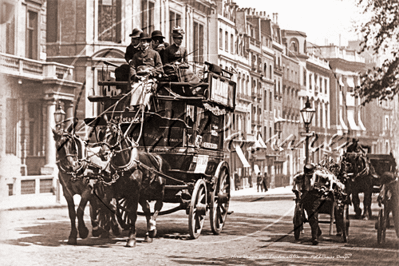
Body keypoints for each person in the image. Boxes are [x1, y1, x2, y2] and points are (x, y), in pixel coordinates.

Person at [129, 32, 164, 108]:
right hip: (139, 78)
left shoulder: (155, 54)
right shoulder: (136, 55)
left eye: (144, 41)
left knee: (146, 88)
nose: (142, 43)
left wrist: (152, 73)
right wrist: (135, 76)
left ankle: (143, 106)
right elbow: (132, 67)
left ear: (148, 43)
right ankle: (133, 106)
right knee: (135, 87)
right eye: (141, 41)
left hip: (150, 79)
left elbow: (160, 67)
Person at [295, 164, 323, 245]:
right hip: (306, 198)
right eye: (307, 175)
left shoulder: (319, 176)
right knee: (310, 216)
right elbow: (298, 187)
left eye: (310, 175)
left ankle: (314, 238)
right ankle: (317, 230)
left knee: (314, 215)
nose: (309, 176)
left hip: (316, 198)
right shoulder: (301, 177)